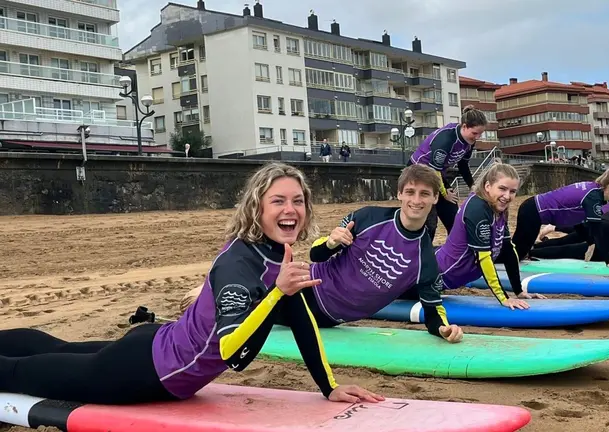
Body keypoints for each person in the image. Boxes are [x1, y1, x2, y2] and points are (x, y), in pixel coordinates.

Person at [0, 163, 382, 406]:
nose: (290, 210)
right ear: (257, 208)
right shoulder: (239, 264)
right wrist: (277, 293)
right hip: (145, 373)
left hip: (155, 344)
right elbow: (233, 352)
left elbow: (301, 320)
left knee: (56, 350)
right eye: (278, 201)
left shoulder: (273, 254)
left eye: (298, 201)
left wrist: (329, 386)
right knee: (19, 374)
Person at [298, 164, 464, 343]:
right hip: (304, 286)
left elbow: (433, 311)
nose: (416, 200)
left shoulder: (426, 261)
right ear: (399, 194)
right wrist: (330, 243)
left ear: (435, 197)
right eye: (410, 192)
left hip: (326, 317)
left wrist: (444, 329)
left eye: (424, 193)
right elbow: (316, 256)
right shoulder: (368, 218)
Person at [435, 162, 546, 311]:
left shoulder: (498, 207)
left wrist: (518, 291)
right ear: (487, 186)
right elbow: (484, 258)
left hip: (447, 277)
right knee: (404, 296)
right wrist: (504, 298)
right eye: (502, 189)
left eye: (512, 191)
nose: (507, 196)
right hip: (431, 276)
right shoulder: (477, 209)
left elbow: (508, 249)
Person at [511, 166, 609, 261]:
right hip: (533, 212)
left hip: (532, 207)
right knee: (517, 254)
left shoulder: (593, 189)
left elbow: (578, 222)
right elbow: (596, 230)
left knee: (517, 250)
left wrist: (590, 243)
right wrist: (608, 260)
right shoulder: (593, 197)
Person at [408, 105, 488, 240]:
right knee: (430, 222)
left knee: (454, 218)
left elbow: (463, 165)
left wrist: (473, 187)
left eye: (480, 134)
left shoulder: (469, 141)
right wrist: (444, 193)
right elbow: (434, 170)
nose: (477, 137)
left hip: (437, 174)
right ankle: (422, 249)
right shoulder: (446, 139)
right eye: (475, 133)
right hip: (417, 173)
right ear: (464, 126)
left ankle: (456, 249)